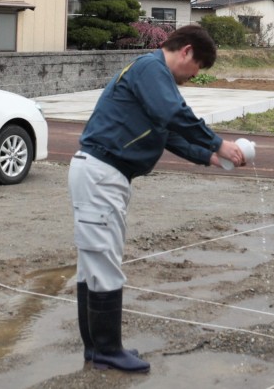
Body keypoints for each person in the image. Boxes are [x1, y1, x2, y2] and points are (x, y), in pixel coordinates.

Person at [69, 24, 246, 373]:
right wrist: (217, 143)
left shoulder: (152, 74)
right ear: (187, 51)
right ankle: (107, 350)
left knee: (93, 263)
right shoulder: (152, 69)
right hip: (102, 174)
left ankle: (97, 349)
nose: (192, 78)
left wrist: (207, 155)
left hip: (103, 173)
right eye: (195, 71)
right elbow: (173, 115)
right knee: (102, 263)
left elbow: (165, 133)